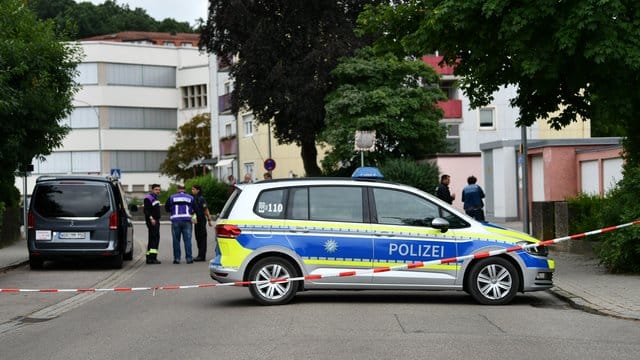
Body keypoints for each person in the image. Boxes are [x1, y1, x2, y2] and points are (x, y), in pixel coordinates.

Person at [165, 184, 195, 264]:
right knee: (187, 240)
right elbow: (194, 208)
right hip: (187, 220)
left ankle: (177, 259)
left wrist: (172, 210)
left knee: (176, 240)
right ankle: (189, 258)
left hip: (176, 220)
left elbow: (167, 208)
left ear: (178, 189)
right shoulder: (190, 197)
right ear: (184, 189)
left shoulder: (171, 197)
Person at [191, 184, 213, 261]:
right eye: (192, 189)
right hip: (197, 220)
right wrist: (193, 218)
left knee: (202, 238)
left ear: (198, 190)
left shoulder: (201, 199)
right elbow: (193, 211)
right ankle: (199, 254)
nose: (192, 191)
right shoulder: (193, 198)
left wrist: (209, 220)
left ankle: (202, 256)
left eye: (194, 189)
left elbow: (206, 210)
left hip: (201, 220)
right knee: (198, 238)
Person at [143, 184, 162, 264]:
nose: (158, 191)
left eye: (159, 190)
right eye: (156, 189)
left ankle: (149, 257)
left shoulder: (155, 198)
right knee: (154, 239)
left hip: (156, 220)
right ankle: (152, 258)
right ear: (152, 190)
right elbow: (146, 210)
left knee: (153, 238)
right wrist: (151, 218)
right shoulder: (148, 198)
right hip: (152, 221)